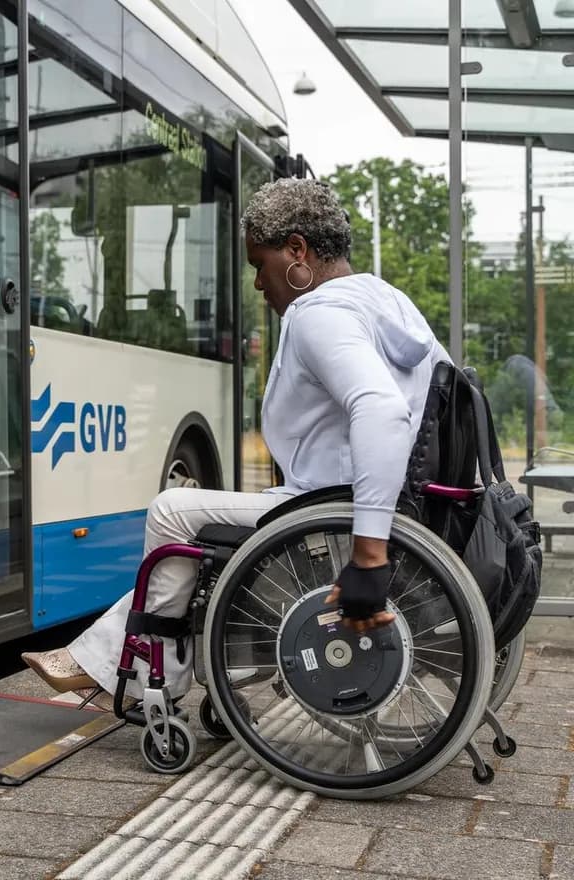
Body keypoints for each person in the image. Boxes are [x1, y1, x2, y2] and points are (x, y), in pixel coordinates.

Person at [23, 178, 450, 707]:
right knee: (195, 526)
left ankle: (149, 672)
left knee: (172, 511)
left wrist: (368, 554)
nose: (257, 283)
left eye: (258, 263)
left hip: (336, 506)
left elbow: (380, 409)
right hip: (375, 500)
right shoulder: (388, 302)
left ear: (297, 250)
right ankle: (106, 656)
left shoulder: (319, 312)